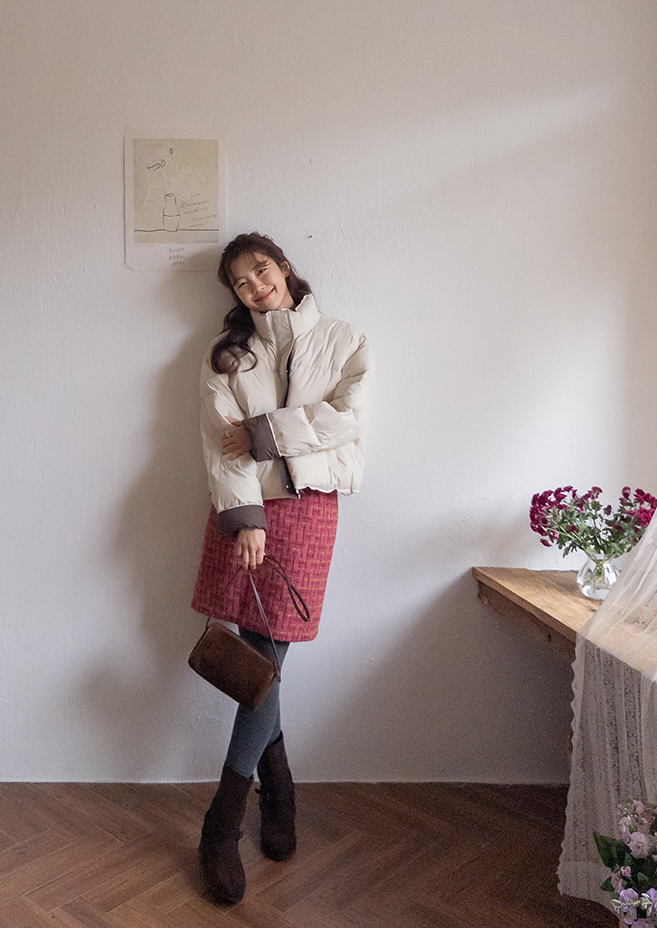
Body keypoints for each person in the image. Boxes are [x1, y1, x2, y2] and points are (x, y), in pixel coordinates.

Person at [191, 232, 373, 903]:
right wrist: (247, 518)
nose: (255, 286)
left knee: (269, 656)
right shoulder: (227, 354)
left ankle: (221, 820)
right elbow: (219, 440)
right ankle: (278, 789)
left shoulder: (346, 339)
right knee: (260, 660)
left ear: (285, 267)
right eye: (240, 282)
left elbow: (348, 419)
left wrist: (265, 431)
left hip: (312, 509)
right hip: (246, 509)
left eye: (261, 270)